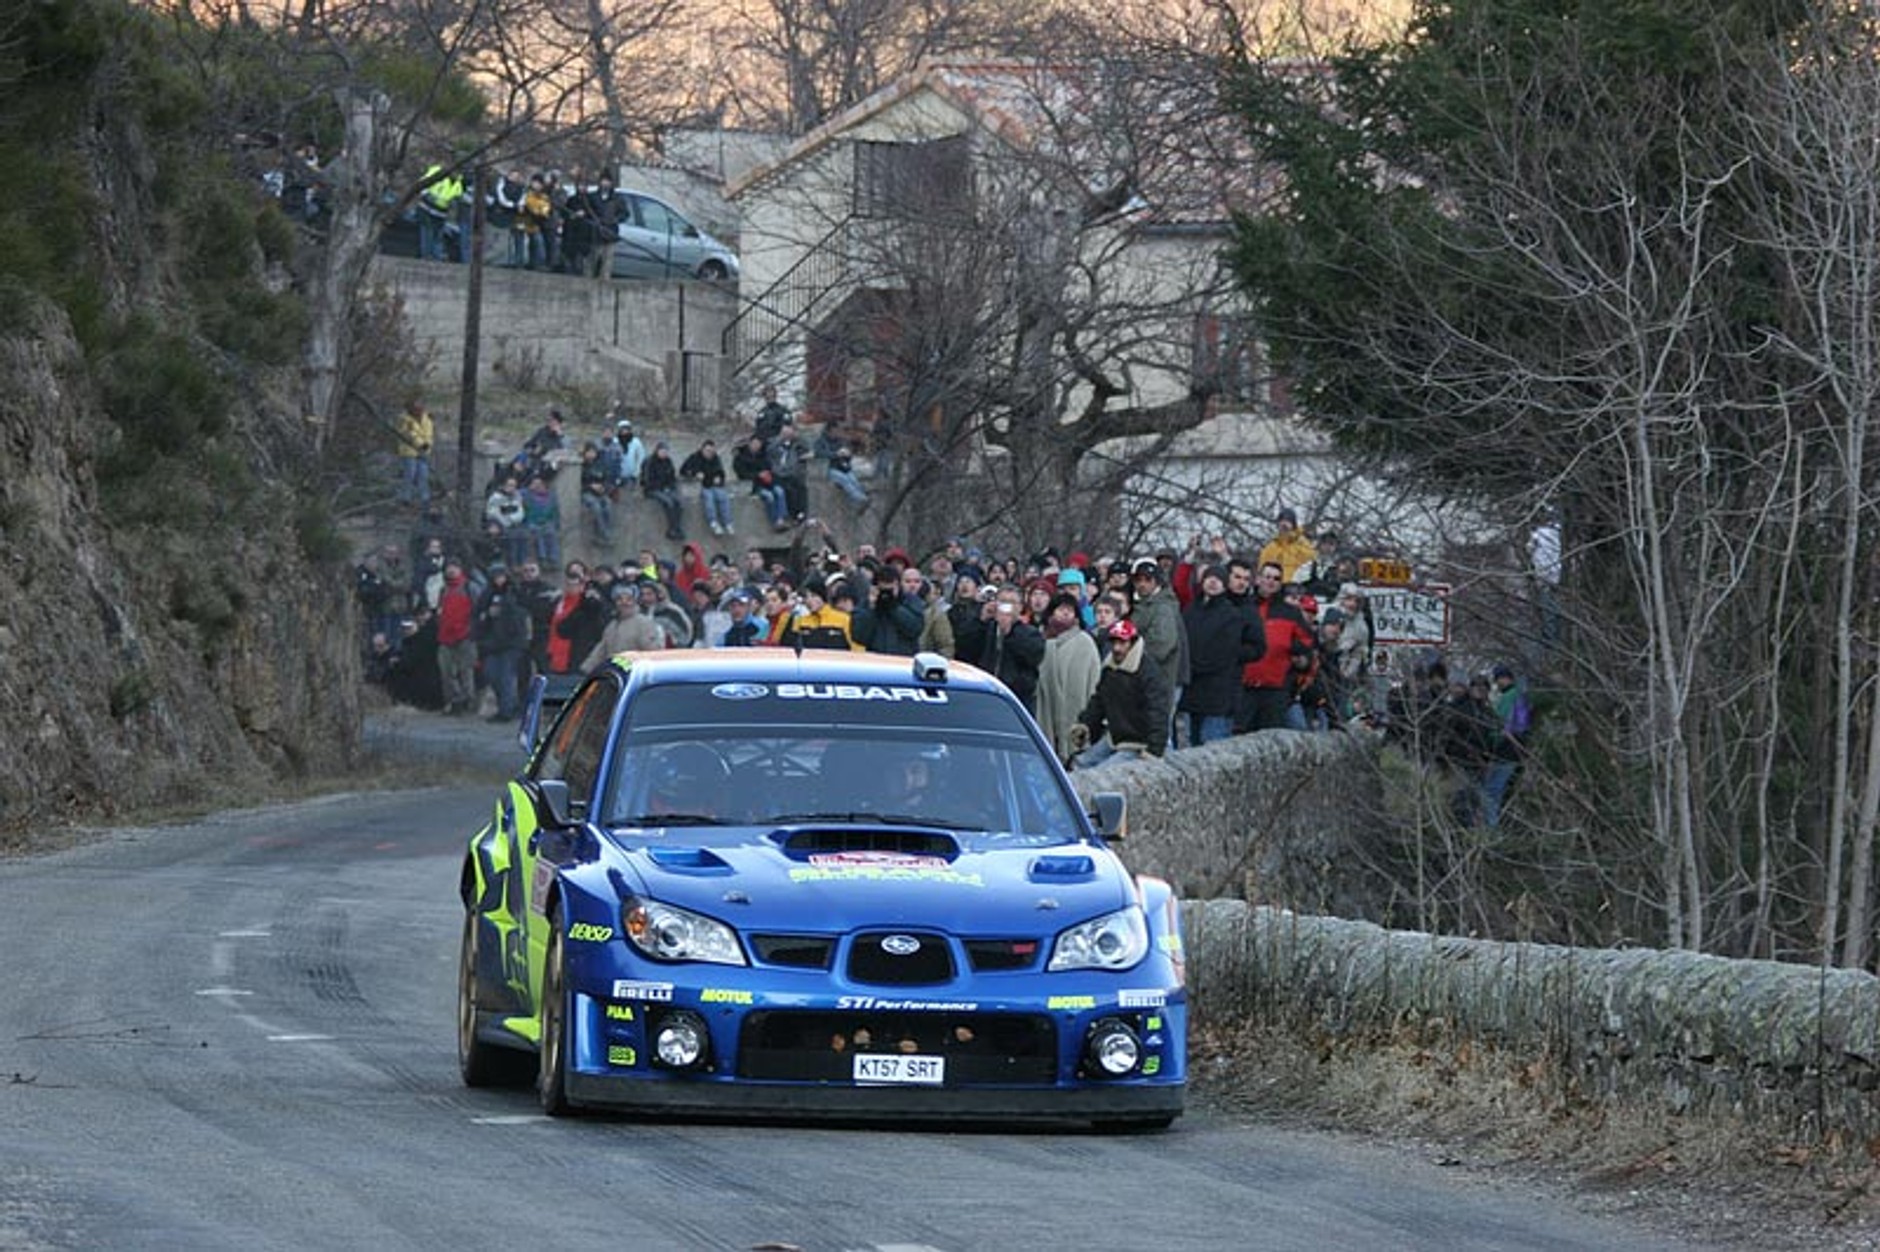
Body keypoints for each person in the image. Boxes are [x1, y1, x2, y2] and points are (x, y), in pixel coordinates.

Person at [1179, 564, 1265, 747]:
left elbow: (1226, 650)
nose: (1212, 583)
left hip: (1218, 692)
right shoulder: (1191, 609)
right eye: (1209, 578)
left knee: (1212, 744)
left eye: (1218, 580)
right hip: (1191, 688)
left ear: (1225, 585)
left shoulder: (1232, 614)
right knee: (1189, 745)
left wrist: (1198, 665)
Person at [1069, 619, 1171, 769]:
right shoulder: (1109, 668)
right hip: (1115, 737)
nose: (1117, 648)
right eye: (1114, 643)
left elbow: (1158, 711)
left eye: (1122, 643)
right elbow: (1099, 700)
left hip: (1138, 743)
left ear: (1132, 643)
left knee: (1104, 772)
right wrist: (1085, 724)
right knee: (1078, 764)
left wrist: (1154, 750)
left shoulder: (1148, 672)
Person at [1239, 560, 1316, 732]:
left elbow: (1307, 642)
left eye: (1276, 578)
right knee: (1240, 735)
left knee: (1271, 737)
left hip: (1276, 688)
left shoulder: (1291, 612)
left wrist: (1293, 649)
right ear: (1258, 579)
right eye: (1267, 577)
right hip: (1243, 685)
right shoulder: (1244, 607)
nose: (1271, 581)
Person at [1036, 592, 1102, 763]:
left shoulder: (1084, 642)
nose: (1065, 613)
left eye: (1070, 610)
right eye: (1060, 609)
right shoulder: (1041, 641)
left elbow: (1094, 679)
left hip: (1076, 710)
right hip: (1047, 709)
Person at [1129, 557, 1188, 749]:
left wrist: (1132, 656)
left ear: (1156, 582)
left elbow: (1162, 645)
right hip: (1151, 680)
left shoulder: (1162, 607)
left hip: (1162, 679)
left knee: (1159, 732)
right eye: (1138, 580)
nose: (1142, 584)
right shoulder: (1145, 605)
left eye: (1148, 579)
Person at [476, 563, 531, 721]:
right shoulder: (486, 594)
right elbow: (478, 615)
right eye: (495, 576)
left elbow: (521, 615)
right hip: (491, 642)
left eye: (501, 576)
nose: (498, 579)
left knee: (505, 676)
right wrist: (486, 616)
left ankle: (505, 711)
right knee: (491, 674)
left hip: (512, 641)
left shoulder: (515, 592)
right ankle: (507, 706)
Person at [1480, 664, 1533, 828]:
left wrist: (1496, 739)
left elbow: (1508, 724)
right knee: (1498, 790)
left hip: (1508, 749)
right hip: (1510, 749)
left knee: (1491, 791)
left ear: (1507, 678)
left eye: (1499, 679)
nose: (1498, 683)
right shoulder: (1514, 695)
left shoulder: (1513, 695)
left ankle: (1491, 829)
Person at [582, 582, 664, 672]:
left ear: (635, 601)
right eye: (620, 599)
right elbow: (600, 651)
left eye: (629, 599)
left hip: (636, 674)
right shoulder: (612, 626)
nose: (624, 602)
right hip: (615, 674)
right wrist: (585, 669)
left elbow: (652, 652)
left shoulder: (644, 623)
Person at [434, 561, 479, 715]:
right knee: (446, 672)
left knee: (466, 672)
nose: (451, 571)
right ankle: (453, 702)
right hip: (445, 636)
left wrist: (472, 630)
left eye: (454, 567)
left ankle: (468, 703)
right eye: (448, 568)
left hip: (465, 636)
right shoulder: (443, 590)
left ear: (460, 569)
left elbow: (478, 611)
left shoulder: (470, 587)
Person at [779, 576, 859, 650]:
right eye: (806, 597)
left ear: (822, 597)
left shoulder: (843, 618)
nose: (809, 600)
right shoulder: (799, 620)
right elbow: (789, 645)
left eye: (813, 596)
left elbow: (854, 646)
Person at [680, 438, 733, 536]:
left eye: (711, 452)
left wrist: (719, 478)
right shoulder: (694, 457)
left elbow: (721, 472)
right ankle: (713, 522)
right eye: (707, 451)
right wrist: (694, 474)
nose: (709, 454)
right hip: (701, 486)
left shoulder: (716, 458)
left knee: (723, 497)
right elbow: (683, 471)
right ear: (702, 449)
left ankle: (727, 523)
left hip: (713, 485)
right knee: (709, 498)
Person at [734, 433, 788, 530]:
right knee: (769, 496)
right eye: (755, 443)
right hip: (754, 485)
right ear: (750, 443)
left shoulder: (763, 455)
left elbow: (770, 468)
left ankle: (781, 519)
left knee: (780, 491)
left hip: (768, 482)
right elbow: (742, 475)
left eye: (759, 444)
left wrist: (768, 475)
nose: (757, 446)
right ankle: (775, 521)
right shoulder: (741, 457)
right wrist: (757, 475)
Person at [1258, 507, 1318, 584]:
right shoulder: (1270, 547)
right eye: (1282, 520)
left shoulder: (1303, 544)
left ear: (1294, 524)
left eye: (1288, 521)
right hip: (1274, 587)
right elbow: (1262, 570)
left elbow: (1310, 566)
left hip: (1294, 589)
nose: (1284, 524)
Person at [641, 441, 686, 541]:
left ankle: (677, 527)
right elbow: (647, 480)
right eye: (662, 451)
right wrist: (661, 488)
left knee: (680, 502)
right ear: (657, 451)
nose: (664, 453)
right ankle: (671, 529)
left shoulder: (668, 461)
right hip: (652, 489)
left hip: (666, 488)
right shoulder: (650, 461)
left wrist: (672, 487)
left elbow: (672, 477)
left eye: (666, 451)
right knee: (668, 503)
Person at [767, 422, 811, 524]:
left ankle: (802, 514)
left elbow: (806, 449)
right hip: (777, 474)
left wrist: (796, 436)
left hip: (791, 472)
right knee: (788, 489)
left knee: (801, 486)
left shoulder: (796, 443)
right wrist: (782, 438)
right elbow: (770, 450)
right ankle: (794, 514)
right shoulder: (774, 442)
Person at [393, 398, 433, 507]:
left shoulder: (427, 419)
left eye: (420, 407)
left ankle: (425, 499)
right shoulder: (404, 420)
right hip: (409, 452)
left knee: (423, 475)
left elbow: (428, 434)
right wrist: (421, 444)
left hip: (423, 452)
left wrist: (427, 445)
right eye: (415, 408)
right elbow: (409, 434)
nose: (418, 410)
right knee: (409, 475)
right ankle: (405, 498)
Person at [577, 442, 613, 546]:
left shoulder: (600, 464)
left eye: (594, 452)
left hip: (600, 492)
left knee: (608, 506)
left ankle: (605, 532)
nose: (592, 454)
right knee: (595, 507)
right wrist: (590, 486)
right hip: (586, 492)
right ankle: (605, 534)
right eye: (589, 452)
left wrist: (603, 488)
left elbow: (606, 479)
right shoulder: (581, 465)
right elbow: (578, 483)